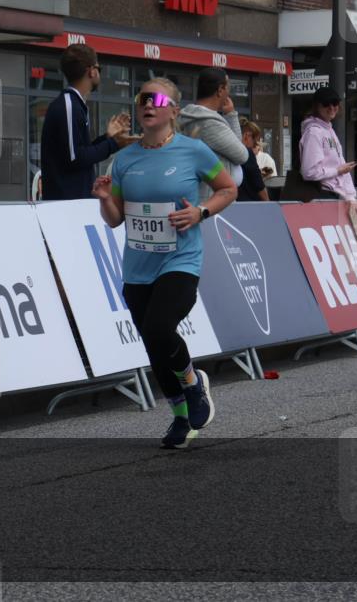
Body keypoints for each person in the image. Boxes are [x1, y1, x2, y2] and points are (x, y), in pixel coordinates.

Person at [92, 78, 238, 449]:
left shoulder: (194, 151)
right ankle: (179, 417)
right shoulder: (124, 159)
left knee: (159, 328)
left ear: (174, 110)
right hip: (137, 267)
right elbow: (114, 220)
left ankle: (193, 385)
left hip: (180, 261)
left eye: (156, 98)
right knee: (153, 345)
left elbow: (228, 189)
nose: (147, 104)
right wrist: (105, 198)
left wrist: (201, 212)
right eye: (142, 98)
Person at [40, 44, 131, 200]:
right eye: (99, 68)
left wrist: (108, 138)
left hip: (73, 201)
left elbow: (79, 152)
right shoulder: (69, 105)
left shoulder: (73, 104)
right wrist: (114, 143)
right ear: (92, 71)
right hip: (67, 203)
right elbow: (75, 158)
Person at [178, 67, 247, 199]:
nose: (229, 93)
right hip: (214, 200)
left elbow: (234, 145)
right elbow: (241, 155)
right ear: (220, 90)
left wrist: (230, 114)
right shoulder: (209, 123)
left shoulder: (189, 116)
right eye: (228, 87)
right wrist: (232, 116)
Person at [299, 86, 357, 201]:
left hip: (332, 196)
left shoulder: (329, 130)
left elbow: (341, 165)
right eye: (326, 104)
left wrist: (351, 196)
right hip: (320, 196)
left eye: (335, 103)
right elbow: (309, 172)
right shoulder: (314, 132)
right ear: (317, 106)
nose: (331, 107)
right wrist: (338, 170)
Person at [237, 120, 269, 202]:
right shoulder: (246, 153)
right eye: (255, 140)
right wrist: (268, 202)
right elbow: (258, 183)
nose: (255, 143)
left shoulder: (230, 153)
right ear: (246, 136)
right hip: (250, 204)